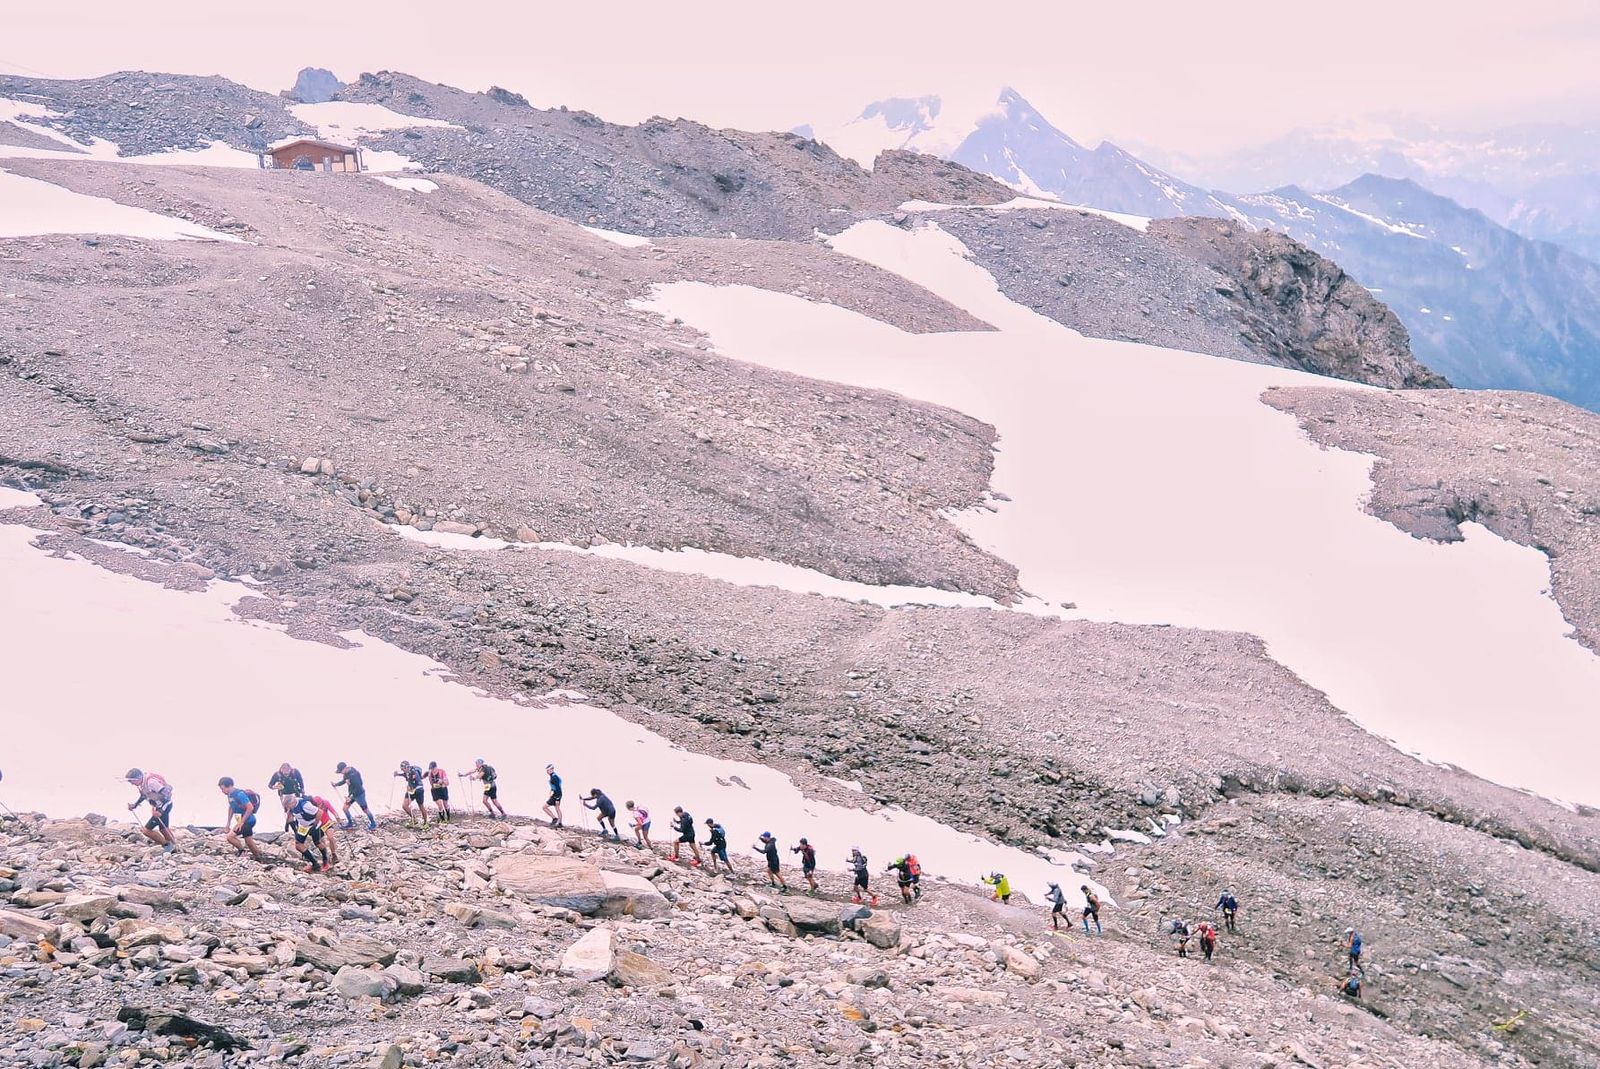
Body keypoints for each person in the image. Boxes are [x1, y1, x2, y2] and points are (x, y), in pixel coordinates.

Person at [125, 769, 176, 853]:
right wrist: (135, 805)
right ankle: (173, 847)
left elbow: (167, 795)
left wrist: (160, 811)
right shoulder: (142, 784)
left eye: (132, 781)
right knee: (163, 829)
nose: (131, 784)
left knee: (146, 830)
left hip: (164, 806)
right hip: (159, 807)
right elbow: (143, 795)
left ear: (138, 778)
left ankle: (167, 845)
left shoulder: (151, 782)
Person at [218, 777, 264, 861]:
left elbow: (250, 807)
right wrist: (228, 822)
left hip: (248, 820)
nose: (222, 791)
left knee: (230, 837)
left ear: (230, 786)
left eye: (223, 789)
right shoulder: (230, 795)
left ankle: (242, 851)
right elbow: (231, 807)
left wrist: (241, 822)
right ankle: (259, 857)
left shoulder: (240, 794)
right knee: (249, 841)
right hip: (240, 819)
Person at [285, 794, 333, 873]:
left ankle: (325, 861)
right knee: (298, 845)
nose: (288, 808)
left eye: (288, 805)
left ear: (293, 802)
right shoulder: (291, 806)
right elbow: (290, 816)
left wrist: (314, 825)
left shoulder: (305, 805)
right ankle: (314, 864)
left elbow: (319, 812)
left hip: (313, 825)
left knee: (317, 843)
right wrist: (287, 825)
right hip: (303, 826)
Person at [333, 762, 376, 831]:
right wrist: (336, 784)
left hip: (359, 795)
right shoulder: (346, 773)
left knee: (365, 810)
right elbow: (344, 780)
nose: (341, 773)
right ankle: (350, 823)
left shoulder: (354, 774)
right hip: (352, 795)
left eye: (341, 771)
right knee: (345, 808)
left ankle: (373, 824)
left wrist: (350, 797)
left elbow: (359, 787)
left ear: (345, 768)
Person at [309, 793, 341, 864]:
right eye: (317, 805)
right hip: (318, 825)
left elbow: (333, 811)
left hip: (327, 823)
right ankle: (326, 856)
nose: (319, 806)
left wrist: (337, 817)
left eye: (320, 804)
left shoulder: (326, 802)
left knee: (330, 837)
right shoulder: (311, 806)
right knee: (322, 842)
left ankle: (333, 854)